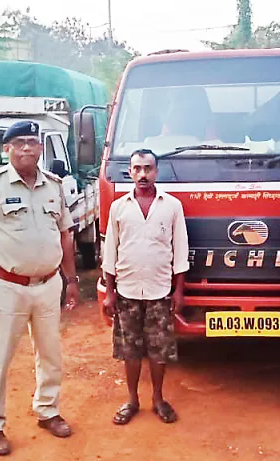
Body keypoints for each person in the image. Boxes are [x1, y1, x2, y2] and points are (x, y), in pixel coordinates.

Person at [0, 120, 81, 456]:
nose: (28, 148)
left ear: (41, 147)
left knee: (50, 354)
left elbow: (65, 236)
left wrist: (71, 281)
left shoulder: (54, 186)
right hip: (3, 288)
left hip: (47, 285)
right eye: (20, 143)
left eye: (33, 142)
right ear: (6, 148)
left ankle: (48, 410)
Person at [101, 149, 190, 426]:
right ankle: (131, 400)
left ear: (156, 172)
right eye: (137, 168)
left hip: (160, 291)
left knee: (159, 350)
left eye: (148, 168)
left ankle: (158, 399)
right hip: (126, 291)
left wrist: (178, 291)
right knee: (130, 350)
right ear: (129, 172)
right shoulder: (118, 207)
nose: (143, 174)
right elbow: (110, 253)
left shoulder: (172, 206)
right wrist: (110, 292)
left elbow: (180, 250)